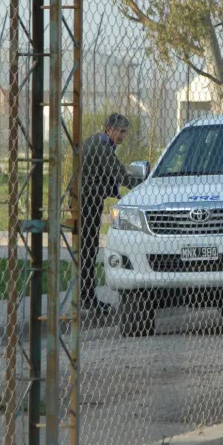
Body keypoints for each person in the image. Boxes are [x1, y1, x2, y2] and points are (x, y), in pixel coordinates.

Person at [80, 113, 140, 315]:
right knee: (87, 250)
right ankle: (87, 298)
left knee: (88, 249)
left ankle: (87, 296)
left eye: (125, 132)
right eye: (120, 131)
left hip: (88, 200)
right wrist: (143, 187)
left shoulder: (98, 143)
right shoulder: (101, 147)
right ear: (108, 129)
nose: (123, 136)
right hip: (86, 202)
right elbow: (119, 174)